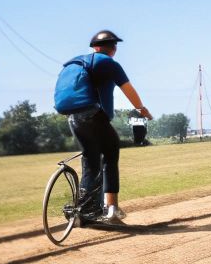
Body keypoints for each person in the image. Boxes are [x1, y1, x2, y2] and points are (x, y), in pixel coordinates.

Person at [61, 30, 151, 224]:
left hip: (73, 118)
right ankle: (112, 211)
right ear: (113, 48)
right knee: (110, 154)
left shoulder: (78, 62)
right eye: (114, 46)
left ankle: (84, 211)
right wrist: (142, 109)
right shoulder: (108, 63)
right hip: (94, 115)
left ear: (94, 47)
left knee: (91, 159)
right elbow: (129, 90)